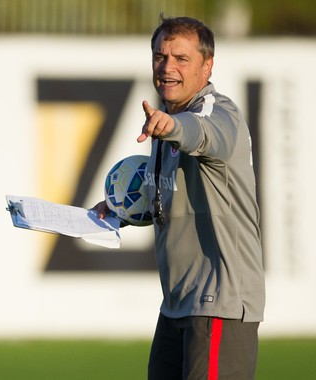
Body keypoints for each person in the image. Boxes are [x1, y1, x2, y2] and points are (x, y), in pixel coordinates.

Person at [95, 15, 265, 380]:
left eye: (181, 58)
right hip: (176, 306)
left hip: (220, 304)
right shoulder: (169, 121)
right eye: (160, 56)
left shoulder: (216, 113)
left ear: (207, 66)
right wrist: (120, 210)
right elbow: (172, 202)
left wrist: (172, 126)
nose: (167, 67)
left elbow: (202, 134)